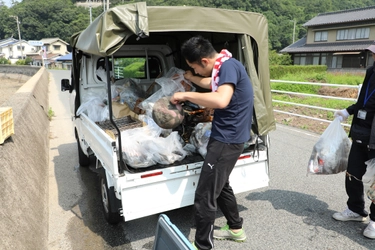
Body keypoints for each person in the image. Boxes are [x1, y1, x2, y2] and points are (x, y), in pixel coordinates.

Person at [170, 36, 254, 250]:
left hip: (227, 139)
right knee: (221, 183)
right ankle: (236, 229)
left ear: (204, 61)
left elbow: (221, 99)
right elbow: (210, 82)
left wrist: (185, 94)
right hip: (229, 137)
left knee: (205, 195)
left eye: (194, 68)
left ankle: (202, 246)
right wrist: (191, 78)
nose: (196, 72)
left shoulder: (227, 66)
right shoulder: (224, 67)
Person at [333, 41, 375, 239]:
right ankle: (356, 210)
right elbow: (363, 101)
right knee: (353, 172)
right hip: (361, 131)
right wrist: (348, 111)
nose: (373, 56)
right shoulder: (371, 71)